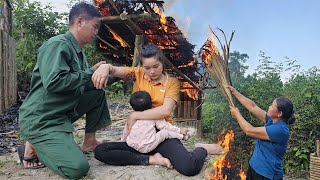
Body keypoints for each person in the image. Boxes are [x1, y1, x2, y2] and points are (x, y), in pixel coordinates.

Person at [93, 44, 224, 176]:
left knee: (189, 167)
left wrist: (135, 116)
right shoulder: (138, 73)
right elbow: (114, 70)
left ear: (162, 63)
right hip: (141, 137)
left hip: (161, 134)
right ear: (141, 66)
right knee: (100, 151)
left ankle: (202, 149)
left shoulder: (172, 83)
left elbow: (165, 110)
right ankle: (152, 159)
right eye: (147, 68)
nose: (152, 72)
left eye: (156, 66)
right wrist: (105, 67)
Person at [18, 2, 111, 179]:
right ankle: (34, 145)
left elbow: (84, 83)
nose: (96, 33)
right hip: (42, 118)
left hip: (61, 113)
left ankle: (89, 142)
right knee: (77, 168)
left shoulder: (79, 51)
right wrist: (90, 72)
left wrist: (110, 71)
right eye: (95, 27)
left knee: (97, 92)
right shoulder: (57, 45)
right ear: (80, 21)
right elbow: (54, 82)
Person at [227, 86, 295, 180]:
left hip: (266, 175)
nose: (269, 107)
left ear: (279, 114)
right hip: (255, 168)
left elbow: (249, 130)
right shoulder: (272, 120)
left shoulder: (280, 130)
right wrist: (235, 92)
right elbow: (253, 107)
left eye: (272, 106)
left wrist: (237, 114)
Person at [122, 90, 189, 155]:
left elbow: (126, 130)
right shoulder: (154, 116)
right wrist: (179, 130)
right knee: (165, 133)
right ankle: (182, 136)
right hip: (146, 147)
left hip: (132, 144)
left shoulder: (132, 117)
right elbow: (165, 126)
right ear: (151, 103)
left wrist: (124, 142)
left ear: (133, 107)